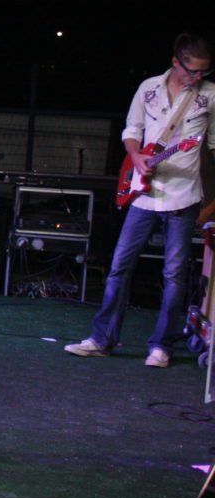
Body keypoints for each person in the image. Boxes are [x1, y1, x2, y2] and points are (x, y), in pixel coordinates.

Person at [65, 33, 215, 366]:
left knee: (174, 274)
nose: (198, 78)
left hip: (185, 195)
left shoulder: (210, 96)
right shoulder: (148, 88)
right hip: (143, 194)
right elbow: (131, 129)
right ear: (176, 62)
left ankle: (161, 346)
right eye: (192, 71)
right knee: (119, 267)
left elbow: (214, 145)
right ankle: (101, 339)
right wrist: (135, 157)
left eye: (204, 71)